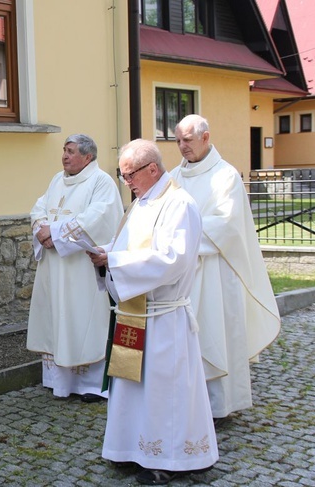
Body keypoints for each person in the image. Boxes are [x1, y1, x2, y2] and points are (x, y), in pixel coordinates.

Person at [88, 139, 217, 485]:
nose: (125, 181)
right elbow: (128, 246)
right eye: (122, 174)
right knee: (132, 388)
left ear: (152, 169)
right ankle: (131, 448)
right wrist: (106, 253)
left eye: (129, 174)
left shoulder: (179, 204)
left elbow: (171, 260)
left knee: (163, 392)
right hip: (134, 313)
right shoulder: (141, 203)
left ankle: (168, 459)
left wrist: (114, 260)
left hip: (164, 317)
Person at [170, 114, 280, 425]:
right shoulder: (176, 175)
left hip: (217, 270)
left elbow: (227, 225)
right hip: (185, 272)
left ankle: (221, 405)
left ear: (205, 138)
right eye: (178, 140)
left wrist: (181, 235)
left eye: (187, 140)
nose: (181, 146)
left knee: (215, 333)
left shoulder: (226, 176)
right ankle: (190, 401)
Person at [26, 134, 123, 403]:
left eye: (70, 151)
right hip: (54, 266)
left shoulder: (101, 182)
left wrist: (54, 233)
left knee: (84, 318)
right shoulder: (58, 179)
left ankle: (92, 385)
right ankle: (60, 382)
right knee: (58, 316)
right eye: (64, 150)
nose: (64, 156)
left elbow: (97, 218)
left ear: (87, 157)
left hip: (81, 267)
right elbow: (39, 207)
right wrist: (41, 230)